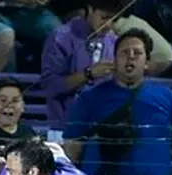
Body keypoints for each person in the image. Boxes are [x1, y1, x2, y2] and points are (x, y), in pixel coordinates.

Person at [64, 29, 172, 175]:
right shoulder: (88, 98)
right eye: (125, 52)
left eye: (137, 53)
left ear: (147, 62)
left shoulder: (169, 97)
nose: (131, 57)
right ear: (115, 60)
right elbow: (73, 147)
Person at [40, 0, 120, 140]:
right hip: (62, 128)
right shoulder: (61, 37)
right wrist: (88, 74)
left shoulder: (114, 42)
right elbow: (50, 86)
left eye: (114, 20)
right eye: (104, 18)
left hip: (99, 132)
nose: (108, 25)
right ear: (89, 10)